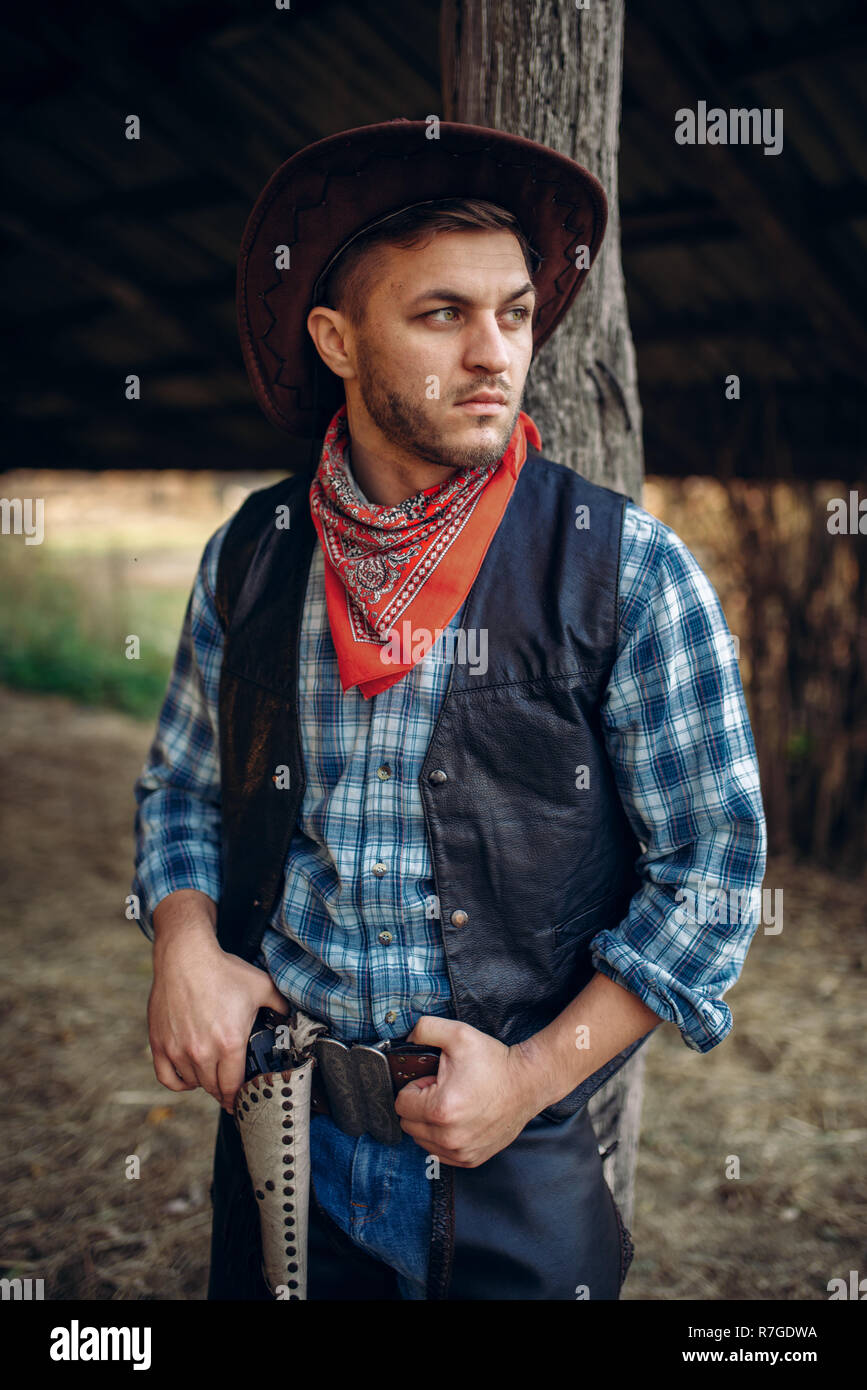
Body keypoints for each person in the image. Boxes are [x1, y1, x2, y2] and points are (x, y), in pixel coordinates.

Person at [131, 120, 767, 1301]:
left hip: (513, 1168)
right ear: (336, 338)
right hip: (284, 1138)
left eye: (515, 313)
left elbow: (715, 874)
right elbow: (182, 784)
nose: (496, 354)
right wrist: (182, 939)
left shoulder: (624, 569)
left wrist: (528, 1077)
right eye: (442, 315)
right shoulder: (254, 559)